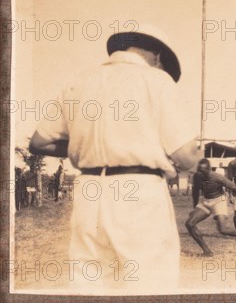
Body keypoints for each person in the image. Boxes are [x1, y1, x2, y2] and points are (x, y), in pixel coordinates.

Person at [28, 25, 201, 292]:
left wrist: (84, 146)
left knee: (90, 284)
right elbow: (187, 156)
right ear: (157, 56)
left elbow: (39, 142)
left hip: (89, 192)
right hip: (139, 192)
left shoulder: (80, 81)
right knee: (149, 284)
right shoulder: (156, 80)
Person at [185, 159, 236, 257]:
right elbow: (195, 192)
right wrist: (195, 208)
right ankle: (207, 251)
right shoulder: (197, 177)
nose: (201, 173)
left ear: (209, 170)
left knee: (222, 229)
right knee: (189, 223)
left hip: (219, 200)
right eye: (199, 171)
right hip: (207, 201)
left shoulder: (217, 177)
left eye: (203, 171)